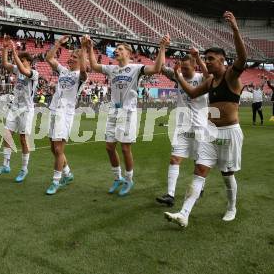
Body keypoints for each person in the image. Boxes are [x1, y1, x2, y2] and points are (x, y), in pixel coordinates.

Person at [164, 11, 247, 227]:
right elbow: (192, 93)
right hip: (211, 133)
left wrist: (235, 30)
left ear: (222, 61)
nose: (207, 62)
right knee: (200, 170)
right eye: (206, 58)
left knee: (227, 175)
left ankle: (231, 207)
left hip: (230, 133)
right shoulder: (210, 82)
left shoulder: (231, 76)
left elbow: (243, 58)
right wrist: (179, 76)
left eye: (211, 59)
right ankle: (184, 214)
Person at [83, 34, 169, 196]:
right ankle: (118, 178)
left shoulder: (136, 68)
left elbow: (157, 69)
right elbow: (94, 66)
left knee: (125, 148)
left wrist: (162, 48)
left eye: (120, 49)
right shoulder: (112, 69)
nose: (116, 51)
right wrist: (90, 47)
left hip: (128, 112)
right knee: (109, 147)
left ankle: (129, 179)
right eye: (116, 49)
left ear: (128, 53)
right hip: (113, 111)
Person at [156, 48, 209, 207]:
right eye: (182, 68)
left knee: (198, 161)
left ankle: (200, 187)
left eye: (187, 68)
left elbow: (210, 75)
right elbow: (160, 67)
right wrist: (163, 47)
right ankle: (170, 195)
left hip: (200, 126)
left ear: (194, 67)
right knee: (174, 159)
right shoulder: (178, 75)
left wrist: (198, 57)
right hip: (181, 126)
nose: (184, 71)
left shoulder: (202, 78)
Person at [43, 35, 87, 195]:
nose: (70, 59)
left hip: (65, 113)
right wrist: (58, 43)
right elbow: (49, 58)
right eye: (71, 56)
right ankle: (68, 173)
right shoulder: (63, 71)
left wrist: (83, 51)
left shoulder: (80, 76)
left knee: (58, 148)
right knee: (52, 148)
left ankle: (56, 181)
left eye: (75, 57)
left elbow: (83, 72)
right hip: (54, 109)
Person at [0, 35, 39, 183]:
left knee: (23, 139)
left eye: (23, 60)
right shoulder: (18, 70)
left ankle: (24, 169)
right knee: (7, 134)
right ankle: (6, 165)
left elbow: (24, 71)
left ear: (30, 63)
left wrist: (14, 51)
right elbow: (6, 64)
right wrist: (5, 48)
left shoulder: (34, 74)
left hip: (26, 109)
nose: (20, 63)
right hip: (15, 108)